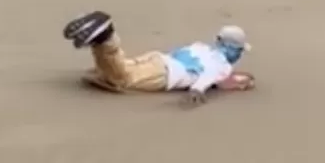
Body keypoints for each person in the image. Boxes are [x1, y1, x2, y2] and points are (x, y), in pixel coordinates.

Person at [62, 10, 254, 105]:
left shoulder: (201, 46)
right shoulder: (222, 65)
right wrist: (197, 90)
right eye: (240, 51)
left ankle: (97, 41)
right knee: (123, 79)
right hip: (165, 74)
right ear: (233, 50)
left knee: (115, 70)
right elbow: (210, 75)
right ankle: (106, 38)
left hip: (159, 59)